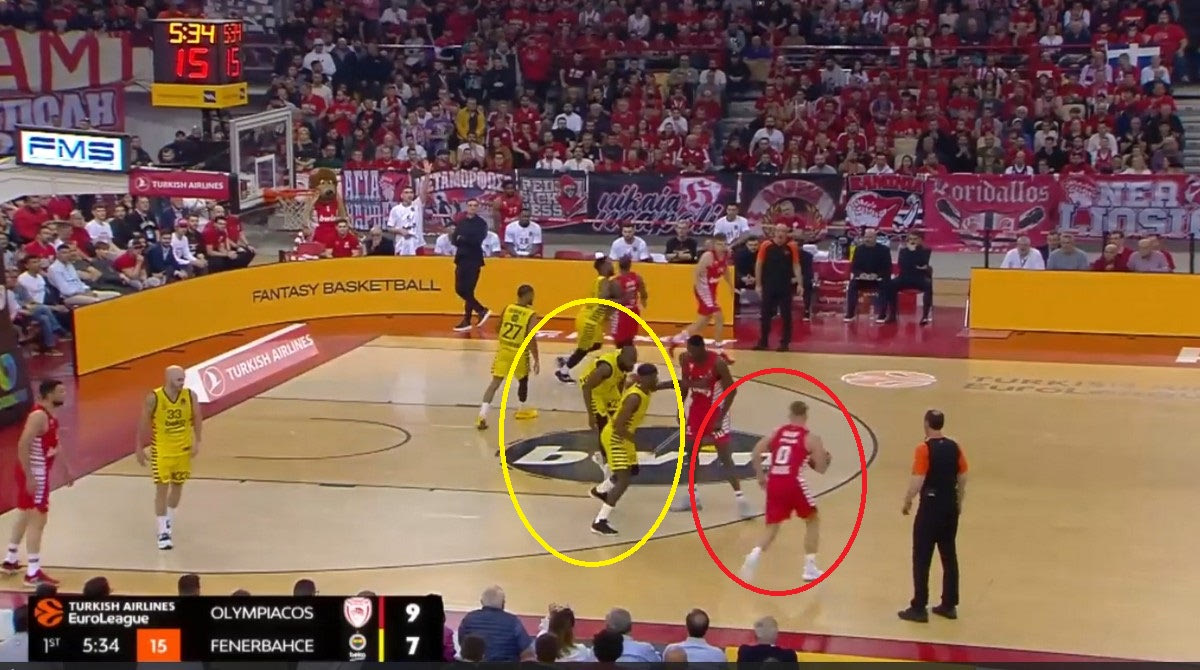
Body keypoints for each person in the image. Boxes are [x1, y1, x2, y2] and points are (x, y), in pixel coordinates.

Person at [740, 400, 831, 583]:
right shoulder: (811, 438)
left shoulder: (777, 433)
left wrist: (761, 476)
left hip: (774, 481)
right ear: (805, 416)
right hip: (794, 482)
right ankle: (810, 567)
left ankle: (754, 554)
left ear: (790, 415)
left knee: (772, 526)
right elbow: (821, 468)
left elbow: (756, 452)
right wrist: (824, 458)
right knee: (812, 520)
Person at [671, 335, 753, 517]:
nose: (691, 354)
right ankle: (693, 497)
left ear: (702, 348)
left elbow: (732, 391)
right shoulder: (685, 359)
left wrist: (720, 418)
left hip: (716, 412)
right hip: (696, 412)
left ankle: (741, 500)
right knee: (691, 453)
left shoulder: (718, 364)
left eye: (693, 351)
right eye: (688, 350)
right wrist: (680, 408)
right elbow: (685, 385)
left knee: (725, 457)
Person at [899, 409, 967, 623]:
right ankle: (949, 604)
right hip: (950, 507)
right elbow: (963, 475)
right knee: (949, 555)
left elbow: (918, 478)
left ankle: (919, 606)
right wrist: (959, 500)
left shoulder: (924, 449)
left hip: (930, 507)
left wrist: (908, 500)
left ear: (927, 424)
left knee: (922, 557)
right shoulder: (955, 446)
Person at [2, 380, 72, 586]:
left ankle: (10, 558)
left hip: (37, 471)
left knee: (25, 513)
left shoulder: (50, 415)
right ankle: (33, 572)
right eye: (60, 391)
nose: (65, 393)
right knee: (38, 520)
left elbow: (55, 443)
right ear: (49, 395)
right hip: (35, 472)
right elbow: (22, 444)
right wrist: (30, 476)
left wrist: (65, 468)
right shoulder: (38, 416)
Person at [135, 365, 203, 550]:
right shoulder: (154, 398)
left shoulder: (190, 396)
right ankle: (162, 531)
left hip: (183, 449)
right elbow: (143, 422)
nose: (182, 383)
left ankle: (168, 521)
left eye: (183, 379)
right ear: (168, 379)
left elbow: (197, 418)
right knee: (162, 489)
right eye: (178, 380)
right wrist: (139, 447)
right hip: (162, 450)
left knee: (178, 486)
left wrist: (197, 441)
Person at [591, 363, 660, 535]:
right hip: (615, 437)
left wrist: (675, 384)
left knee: (632, 470)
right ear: (643, 379)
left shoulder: (644, 388)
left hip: (623, 436)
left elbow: (657, 386)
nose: (656, 380)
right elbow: (618, 426)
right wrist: (641, 443)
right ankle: (599, 521)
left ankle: (600, 490)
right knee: (624, 479)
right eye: (653, 378)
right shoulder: (634, 398)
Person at [477, 284, 541, 430]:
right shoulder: (531, 314)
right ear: (527, 295)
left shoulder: (508, 308)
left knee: (495, 383)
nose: (533, 298)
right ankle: (521, 409)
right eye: (532, 295)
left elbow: (497, 328)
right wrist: (537, 359)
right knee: (523, 380)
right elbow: (531, 338)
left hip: (503, 350)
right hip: (519, 352)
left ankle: (482, 415)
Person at [580, 346, 638, 497]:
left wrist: (620, 396)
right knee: (604, 426)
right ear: (623, 358)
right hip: (593, 391)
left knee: (619, 419)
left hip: (608, 388)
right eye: (630, 363)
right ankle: (607, 465)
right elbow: (587, 387)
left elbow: (620, 380)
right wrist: (590, 414)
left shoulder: (623, 363)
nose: (632, 366)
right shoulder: (606, 368)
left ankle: (612, 455)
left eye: (634, 362)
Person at [556, 256, 620, 383]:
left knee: (596, 345)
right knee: (584, 348)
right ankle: (563, 372)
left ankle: (568, 359)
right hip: (589, 320)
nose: (612, 266)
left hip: (591, 319)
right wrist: (619, 300)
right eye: (609, 264)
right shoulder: (604, 281)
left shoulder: (600, 280)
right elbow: (603, 299)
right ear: (603, 267)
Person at [675, 235, 734, 354]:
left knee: (703, 321)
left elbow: (725, 270)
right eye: (719, 244)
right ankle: (718, 346)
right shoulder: (708, 256)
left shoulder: (726, 255)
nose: (722, 247)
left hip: (711, 289)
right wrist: (699, 289)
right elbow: (696, 272)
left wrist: (731, 285)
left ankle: (679, 337)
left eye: (724, 244)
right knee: (719, 316)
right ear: (714, 245)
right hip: (703, 289)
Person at [754, 224, 803, 351]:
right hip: (769, 284)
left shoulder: (792, 246)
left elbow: (796, 265)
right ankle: (763, 341)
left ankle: (785, 343)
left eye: (783, 231)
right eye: (778, 231)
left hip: (785, 285)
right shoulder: (766, 245)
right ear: (774, 232)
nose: (781, 233)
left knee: (786, 315)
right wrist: (758, 284)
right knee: (765, 314)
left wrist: (800, 283)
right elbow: (759, 264)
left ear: (787, 233)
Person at [451, 198, 491, 332]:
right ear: (466, 207)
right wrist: (463, 239)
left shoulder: (481, 223)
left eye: (475, 205)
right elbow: (454, 239)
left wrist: (463, 238)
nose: (472, 207)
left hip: (474, 259)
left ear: (477, 207)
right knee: (460, 289)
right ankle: (480, 310)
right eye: (470, 205)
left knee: (468, 290)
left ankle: (469, 318)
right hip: (461, 258)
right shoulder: (462, 222)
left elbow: (477, 240)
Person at [884, 231, 934, 325]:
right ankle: (892, 314)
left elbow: (922, 262)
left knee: (928, 285)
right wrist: (915, 263)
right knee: (890, 284)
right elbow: (903, 265)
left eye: (915, 239)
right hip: (905, 277)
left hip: (919, 278)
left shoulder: (926, 250)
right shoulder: (903, 251)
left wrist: (914, 252)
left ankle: (925, 316)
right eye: (910, 239)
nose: (912, 241)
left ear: (921, 240)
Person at [611, 256, 647, 348]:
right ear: (630, 265)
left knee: (619, 341)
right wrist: (643, 302)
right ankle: (629, 354)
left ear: (618, 265)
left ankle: (621, 355)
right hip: (633, 310)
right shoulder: (637, 278)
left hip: (621, 312)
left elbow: (612, 301)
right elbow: (644, 294)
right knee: (629, 339)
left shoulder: (616, 281)